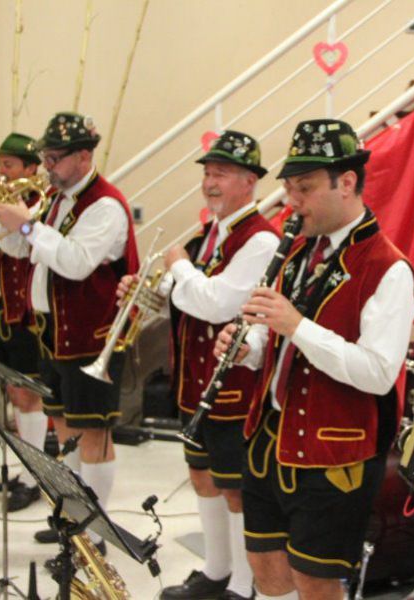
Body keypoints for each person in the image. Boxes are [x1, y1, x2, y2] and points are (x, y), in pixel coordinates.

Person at [215, 119, 414, 600]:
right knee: (264, 563)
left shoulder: (389, 267)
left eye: (303, 188)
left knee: (315, 578)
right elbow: (277, 345)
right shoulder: (298, 252)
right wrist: (249, 349)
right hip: (269, 437)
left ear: (346, 182)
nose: (291, 202)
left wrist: (296, 326)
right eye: (288, 188)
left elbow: (378, 373)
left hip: (335, 452)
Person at [121, 131, 278, 600]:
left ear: (249, 181)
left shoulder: (261, 240)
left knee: (235, 489)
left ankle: (245, 585)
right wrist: (145, 292)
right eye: (207, 174)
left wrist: (178, 267)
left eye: (221, 174)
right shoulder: (212, 232)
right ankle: (217, 571)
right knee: (202, 478)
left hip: (234, 387)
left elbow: (215, 302)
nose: (209, 183)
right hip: (195, 383)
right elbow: (184, 297)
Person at [0, 112, 138, 555]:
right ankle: (75, 516)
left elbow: (75, 262)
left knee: (93, 434)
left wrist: (27, 224)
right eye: (45, 157)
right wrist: (3, 219)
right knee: (65, 429)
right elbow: (21, 249)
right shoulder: (57, 199)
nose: (48, 166)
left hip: (93, 336)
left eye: (55, 158)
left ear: (83, 156)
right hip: (54, 332)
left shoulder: (105, 205)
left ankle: (96, 533)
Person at [0, 133, 45, 511]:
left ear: (30, 169)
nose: (1, 172)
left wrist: (2, 210)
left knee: (26, 394)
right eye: (0, 164)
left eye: (9, 165)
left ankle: (35, 477)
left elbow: (18, 247)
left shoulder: (36, 207)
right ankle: (23, 466)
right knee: (11, 394)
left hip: (24, 313)